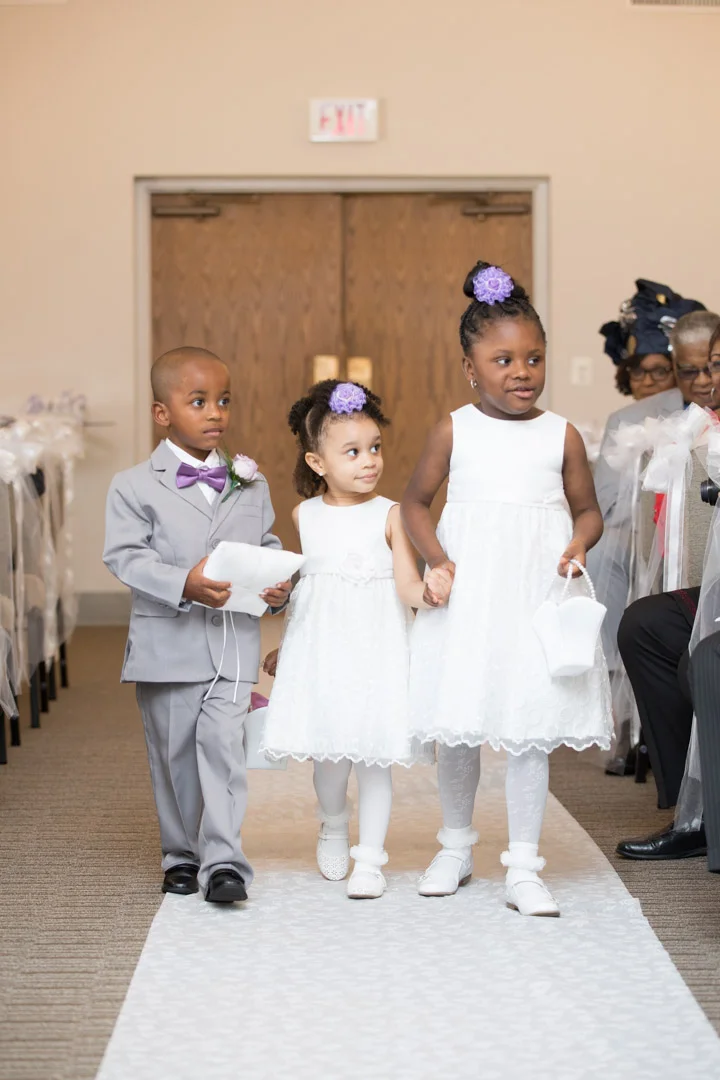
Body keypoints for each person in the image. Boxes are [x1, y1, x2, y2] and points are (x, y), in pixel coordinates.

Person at [401, 262, 612, 917]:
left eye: (533, 358)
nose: (522, 372)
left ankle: (523, 864)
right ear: (471, 368)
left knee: (528, 725)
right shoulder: (454, 429)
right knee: (460, 721)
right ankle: (455, 846)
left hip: (534, 595)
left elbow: (589, 511)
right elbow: (413, 504)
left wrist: (579, 542)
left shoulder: (561, 434)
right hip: (469, 596)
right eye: (503, 360)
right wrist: (437, 559)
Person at [103, 347, 291, 903]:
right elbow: (125, 556)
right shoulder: (133, 485)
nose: (216, 412)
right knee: (176, 758)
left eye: (224, 401)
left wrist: (278, 587)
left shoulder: (251, 483)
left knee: (224, 749)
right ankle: (181, 855)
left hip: (233, 644)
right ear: (162, 413)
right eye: (199, 401)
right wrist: (182, 582)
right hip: (167, 645)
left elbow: (266, 546)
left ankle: (225, 861)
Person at [260, 380, 452, 900]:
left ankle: (370, 859)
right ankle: (332, 822)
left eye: (375, 448)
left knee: (375, 757)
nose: (369, 461)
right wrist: (287, 647)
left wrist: (429, 593)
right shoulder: (305, 516)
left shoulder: (390, 513)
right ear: (317, 462)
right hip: (323, 651)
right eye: (352, 452)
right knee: (329, 757)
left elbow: (406, 583)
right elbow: (307, 592)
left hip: (377, 650)